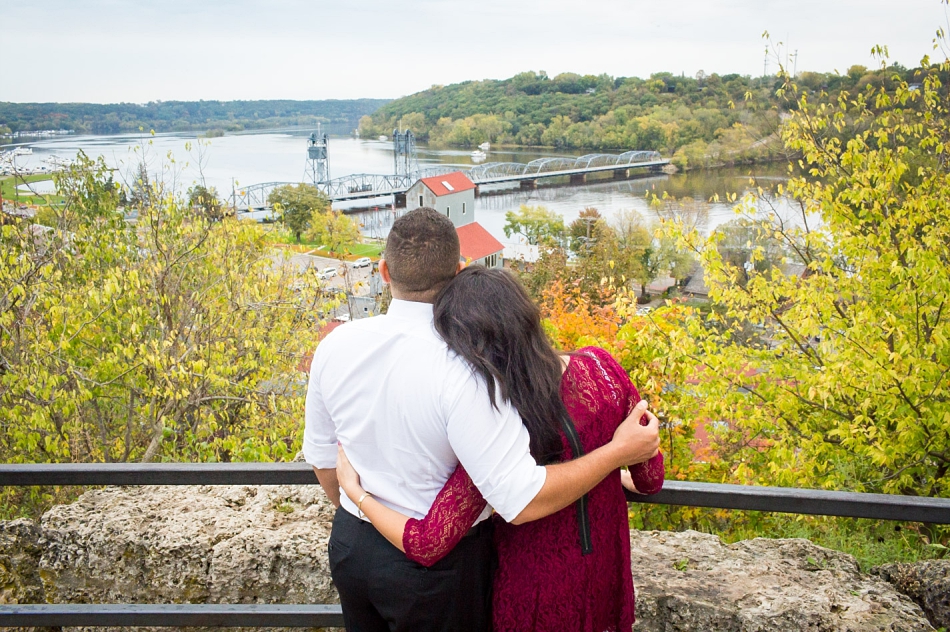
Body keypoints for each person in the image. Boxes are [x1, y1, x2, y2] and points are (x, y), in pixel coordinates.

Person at [303, 208, 660, 632]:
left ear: (383, 270)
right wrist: (616, 454)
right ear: (458, 272)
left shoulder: (337, 344)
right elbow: (519, 497)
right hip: (435, 572)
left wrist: (357, 506)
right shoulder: (470, 370)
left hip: (350, 547)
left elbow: (324, 460)